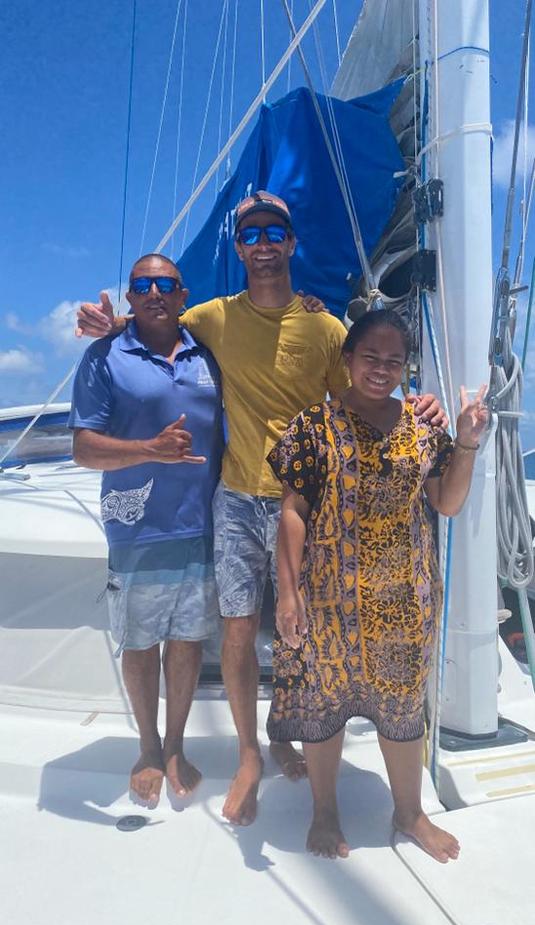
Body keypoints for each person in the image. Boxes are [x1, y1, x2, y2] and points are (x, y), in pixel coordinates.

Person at [76, 191, 446, 826]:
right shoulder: (214, 317)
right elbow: (156, 324)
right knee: (240, 630)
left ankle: (285, 734)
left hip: (304, 504)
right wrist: (112, 328)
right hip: (235, 500)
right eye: (251, 235)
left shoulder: (325, 328)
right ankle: (249, 752)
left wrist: (419, 405)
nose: (264, 244)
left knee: (300, 632)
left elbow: (366, 392)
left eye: (275, 232)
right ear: (239, 247)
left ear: (291, 243)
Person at [267, 309, 488, 861]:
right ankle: (325, 811)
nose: (381, 369)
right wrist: (289, 592)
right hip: (328, 599)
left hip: (405, 601)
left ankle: (409, 813)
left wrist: (466, 442)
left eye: (394, 361)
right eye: (370, 357)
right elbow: (293, 511)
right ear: (348, 359)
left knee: (403, 709)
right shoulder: (313, 425)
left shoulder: (424, 427)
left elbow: (447, 503)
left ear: (405, 367)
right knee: (324, 706)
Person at [70, 253, 224, 806]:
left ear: (183, 295)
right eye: (142, 284)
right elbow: (83, 448)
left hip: (202, 522)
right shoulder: (104, 355)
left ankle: (176, 745)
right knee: (140, 642)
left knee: (186, 640)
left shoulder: (209, 352)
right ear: (130, 296)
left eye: (165, 284)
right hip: (137, 526)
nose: (154, 292)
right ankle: (148, 747)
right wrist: (150, 450)